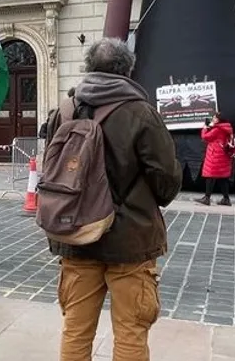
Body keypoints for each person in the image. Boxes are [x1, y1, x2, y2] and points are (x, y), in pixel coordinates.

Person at [44, 38, 182, 361]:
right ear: (127, 71)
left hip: (76, 234)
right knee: (132, 332)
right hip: (131, 243)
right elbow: (166, 182)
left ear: (89, 68)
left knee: (75, 333)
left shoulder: (63, 111)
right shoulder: (141, 113)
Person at [196, 111, 235, 206]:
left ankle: (207, 198)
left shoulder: (217, 129)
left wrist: (205, 128)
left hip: (215, 154)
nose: (213, 119)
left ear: (219, 120)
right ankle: (226, 199)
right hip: (224, 155)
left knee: (210, 176)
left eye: (214, 118)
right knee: (223, 178)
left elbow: (205, 137)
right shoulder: (227, 127)